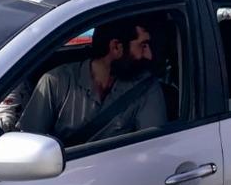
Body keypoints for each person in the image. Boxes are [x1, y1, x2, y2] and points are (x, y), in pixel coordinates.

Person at [17, 18, 167, 144]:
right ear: (116, 47)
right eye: (143, 45)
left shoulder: (145, 87)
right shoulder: (56, 82)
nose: (148, 55)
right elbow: (27, 145)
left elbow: (153, 146)